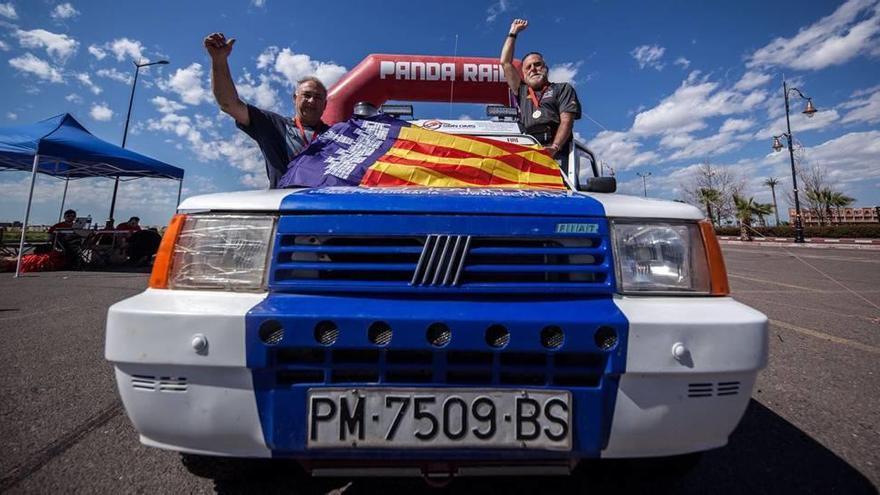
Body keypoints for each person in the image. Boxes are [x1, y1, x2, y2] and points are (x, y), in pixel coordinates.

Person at [204, 32, 330, 188]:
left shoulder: (338, 135)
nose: (312, 101)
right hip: (285, 208)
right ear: (294, 98)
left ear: (325, 105)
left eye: (318, 97)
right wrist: (219, 60)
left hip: (326, 208)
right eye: (307, 95)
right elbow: (228, 104)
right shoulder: (272, 124)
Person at [500, 19, 581, 161]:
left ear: (546, 68)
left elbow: (566, 121)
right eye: (528, 67)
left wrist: (554, 148)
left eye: (537, 65)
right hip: (530, 152)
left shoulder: (562, 88)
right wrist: (513, 32)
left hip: (559, 152)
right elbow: (505, 62)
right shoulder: (522, 90)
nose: (533, 69)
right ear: (523, 74)